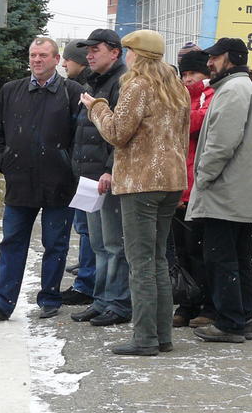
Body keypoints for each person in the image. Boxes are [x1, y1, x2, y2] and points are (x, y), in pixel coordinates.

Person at [81, 29, 190, 356]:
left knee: (140, 262)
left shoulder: (137, 85)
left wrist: (96, 107)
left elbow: (117, 133)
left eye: (128, 51)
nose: (126, 57)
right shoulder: (176, 87)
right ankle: (162, 336)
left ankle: (144, 338)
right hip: (171, 181)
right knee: (157, 260)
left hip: (141, 183)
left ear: (136, 54)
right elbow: (182, 136)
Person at [0, 37, 84, 321]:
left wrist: (70, 167)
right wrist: (5, 162)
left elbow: (82, 137)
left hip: (59, 184)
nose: (37, 60)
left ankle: (50, 298)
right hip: (20, 182)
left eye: (43, 55)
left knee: (55, 244)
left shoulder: (72, 92)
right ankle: (2, 302)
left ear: (56, 59)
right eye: (33, 55)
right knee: (12, 243)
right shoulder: (10, 91)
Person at [188, 37, 252, 344]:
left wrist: (202, 178)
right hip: (237, 194)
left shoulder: (233, 90)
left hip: (225, 193)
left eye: (215, 57)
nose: (209, 63)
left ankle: (231, 322)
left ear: (231, 58)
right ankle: (243, 319)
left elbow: (221, 144)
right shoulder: (241, 87)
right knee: (238, 258)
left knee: (221, 259)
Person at [69, 29, 132, 326]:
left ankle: (118, 303)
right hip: (90, 177)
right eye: (88, 50)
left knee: (114, 245)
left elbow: (122, 134)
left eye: (96, 49)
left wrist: (110, 167)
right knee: (98, 245)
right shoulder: (93, 82)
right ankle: (102, 300)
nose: (89, 55)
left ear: (115, 52)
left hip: (109, 177)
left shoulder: (122, 82)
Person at [172, 49, 217, 328]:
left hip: (199, 187)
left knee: (201, 252)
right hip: (178, 185)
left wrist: (176, 116)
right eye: (184, 74)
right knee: (182, 252)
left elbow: (198, 120)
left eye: (193, 73)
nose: (188, 79)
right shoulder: (179, 97)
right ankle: (187, 301)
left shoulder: (212, 95)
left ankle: (208, 305)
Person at [59, 40, 95, 305]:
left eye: (67, 59)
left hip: (91, 173)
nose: (63, 64)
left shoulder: (87, 88)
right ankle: (87, 277)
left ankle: (87, 283)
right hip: (84, 169)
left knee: (88, 230)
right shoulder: (83, 86)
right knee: (86, 230)